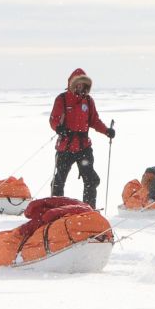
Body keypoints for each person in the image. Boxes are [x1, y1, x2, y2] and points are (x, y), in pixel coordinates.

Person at [48, 67, 115, 206]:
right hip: (65, 147)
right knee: (58, 181)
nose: (80, 87)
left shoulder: (88, 101)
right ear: (72, 84)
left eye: (83, 84)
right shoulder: (62, 99)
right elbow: (53, 119)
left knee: (91, 180)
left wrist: (107, 131)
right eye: (78, 84)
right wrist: (59, 128)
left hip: (84, 147)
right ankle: (56, 209)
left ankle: (89, 210)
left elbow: (94, 121)